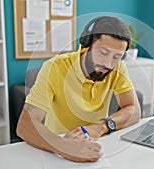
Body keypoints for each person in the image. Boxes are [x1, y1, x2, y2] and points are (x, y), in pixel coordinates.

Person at [16, 16, 141, 162]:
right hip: (55, 151)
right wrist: (65, 146)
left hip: (97, 146)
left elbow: (134, 109)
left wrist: (100, 127)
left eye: (117, 57)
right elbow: (25, 125)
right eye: (104, 53)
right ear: (87, 44)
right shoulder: (54, 67)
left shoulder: (117, 67)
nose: (108, 63)